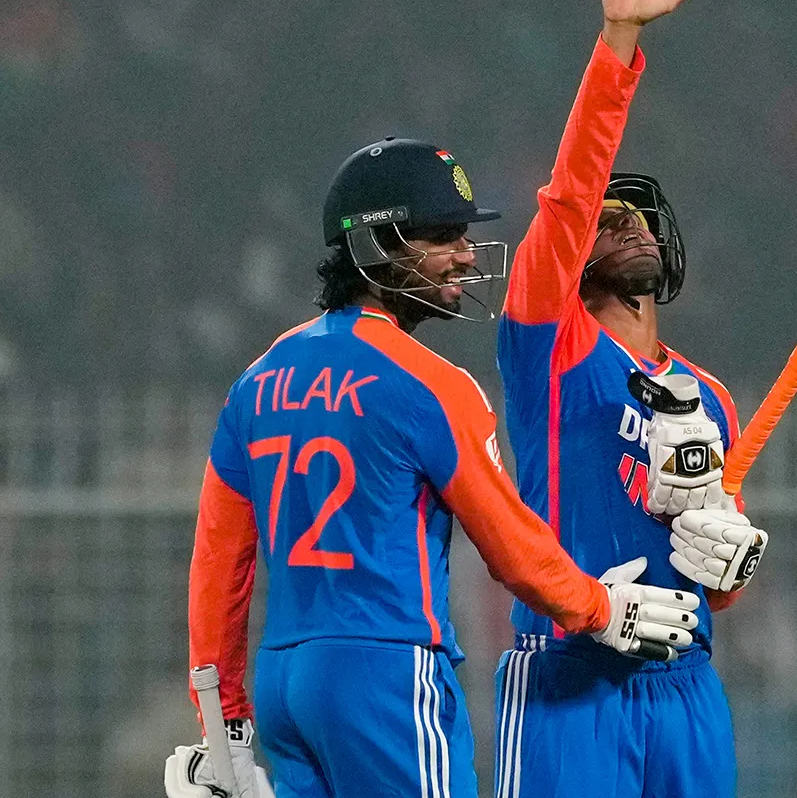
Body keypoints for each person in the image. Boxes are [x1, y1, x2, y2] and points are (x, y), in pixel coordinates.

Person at [163, 135, 701, 798]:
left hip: (284, 683)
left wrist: (223, 723)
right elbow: (513, 547)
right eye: (441, 236)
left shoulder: (258, 378)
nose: (466, 255)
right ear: (373, 246)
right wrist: (599, 607)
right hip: (387, 670)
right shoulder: (430, 385)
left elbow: (219, 561)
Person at [494, 0, 770, 798]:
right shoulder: (550, 349)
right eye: (608, 218)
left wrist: (727, 569)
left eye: (642, 215)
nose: (627, 221)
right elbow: (571, 188)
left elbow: (714, 570)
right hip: (573, 679)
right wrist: (619, 41)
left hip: (688, 691)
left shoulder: (712, 395)